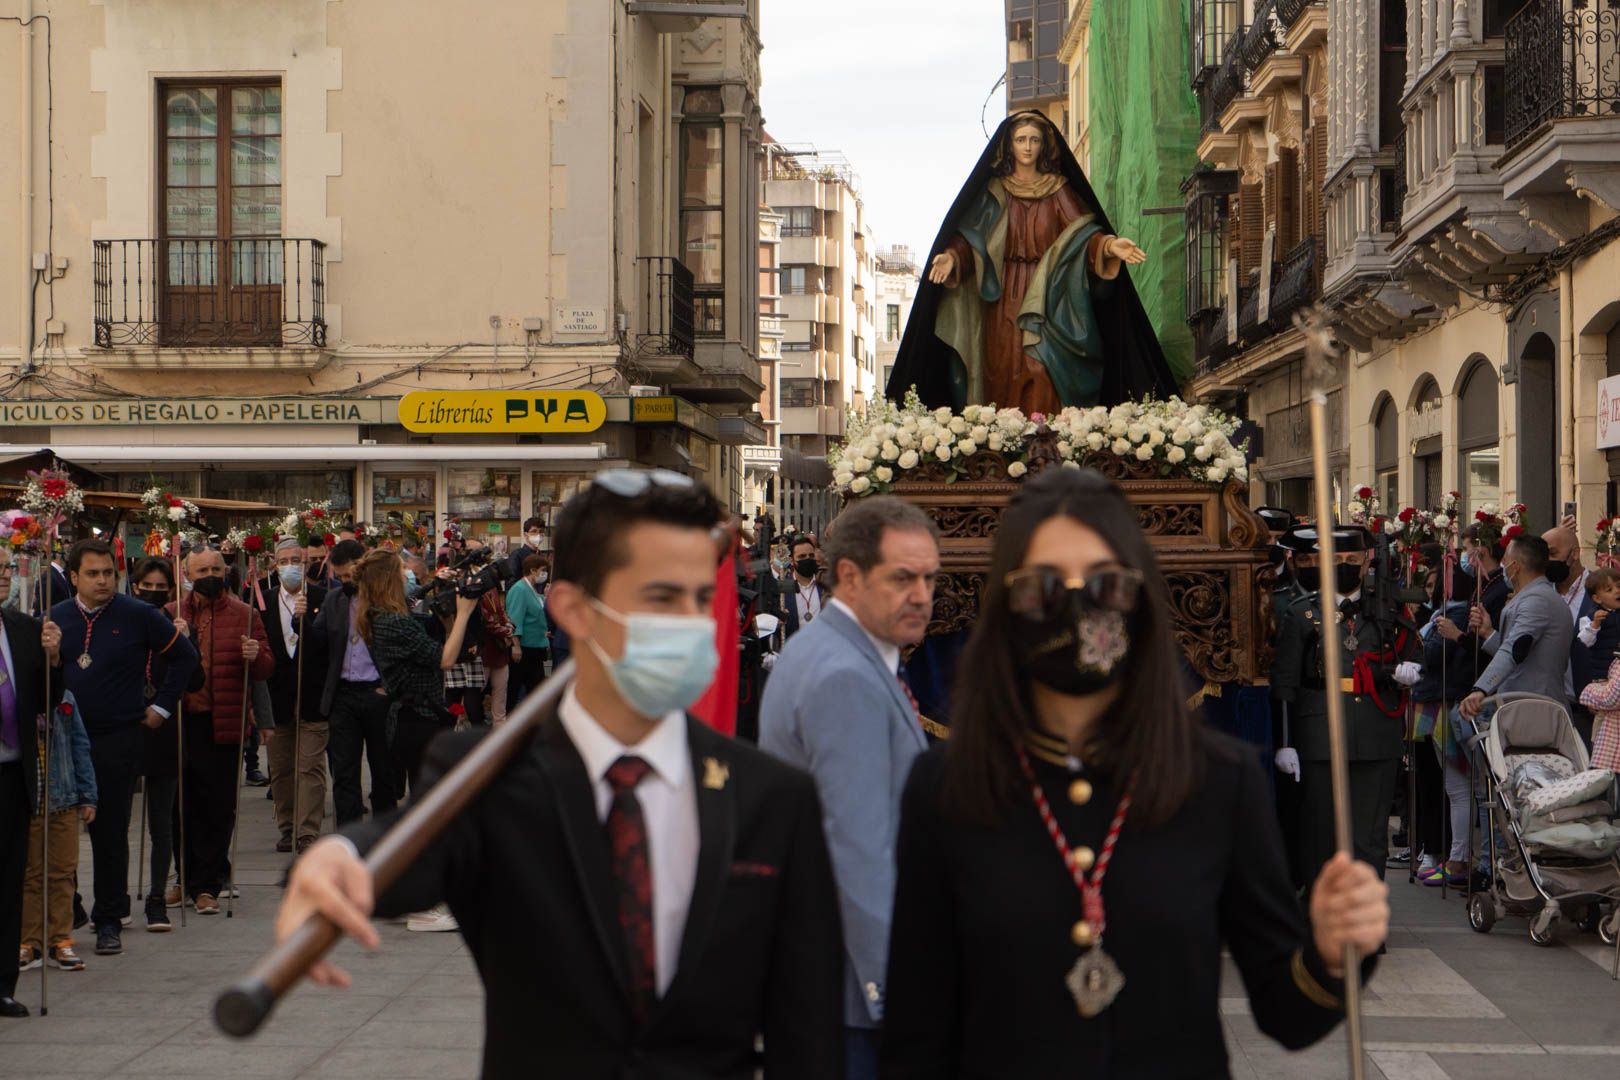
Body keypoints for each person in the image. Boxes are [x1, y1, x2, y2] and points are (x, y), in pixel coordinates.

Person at [276, 469, 843, 1078]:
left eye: (703, 598)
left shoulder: (772, 797)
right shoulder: (493, 778)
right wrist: (337, 856)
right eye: (661, 597)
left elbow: (808, 1033)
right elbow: (413, 846)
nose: (691, 622)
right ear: (573, 608)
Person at [881, 468, 1387, 1076]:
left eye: (1103, 582)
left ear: (1137, 597)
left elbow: (1286, 1009)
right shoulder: (945, 787)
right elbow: (916, 1032)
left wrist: (1333, 952)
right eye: (1044, 584)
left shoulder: (1218, 781)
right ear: (1006, 607)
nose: (1075, 603)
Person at [760, 496, 940, 1079]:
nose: (922, 594)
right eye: (903, 577)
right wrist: (899, 997)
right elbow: (858, 848)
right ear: (849, 577)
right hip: (855, 999)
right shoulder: (843, 674)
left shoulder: (837, 653)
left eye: (930, 578)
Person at [884, 110, 1177, 414]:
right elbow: (973, 237)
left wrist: (1109, 245)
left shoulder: (1058, 188)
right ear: (1008, 145)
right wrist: (952, 256)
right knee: (1002, 371)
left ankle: (1044, 439)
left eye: (1034, 140)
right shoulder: (996, 191)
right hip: (1002, 297)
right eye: (1021, 139)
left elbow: (1082, 234)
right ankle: (1005, 442)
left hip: (1051, 294)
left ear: (1044, 145)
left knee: (1041, 367)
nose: (1027, 147)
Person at [47, 540, 198, 957]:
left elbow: (185, 658)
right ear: (73, 577)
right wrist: (53, 657)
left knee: (110, 831)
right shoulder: (54, 618)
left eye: (108, 573)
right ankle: (68, 912)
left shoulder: (139, 615)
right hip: (64, 740)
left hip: (118, 737)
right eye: (92, 574)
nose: (102, 581)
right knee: (59, 833)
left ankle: (109, 917)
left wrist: (163, 707)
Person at [1270, 523, 1409, 882]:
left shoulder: (1386, 611)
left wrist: (1411, 671)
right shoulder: (1302, 613)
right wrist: (1285, 743)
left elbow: (1413, 655)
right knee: (1321, 837)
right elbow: (1285, 682)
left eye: (1352, 559)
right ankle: (1322, 929)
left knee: (1370, 840)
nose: (1345, 566)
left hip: (1376, 733)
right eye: (1337, 559)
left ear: (1366, 563)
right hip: (1320, 735)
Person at [172, 546, 274, 914]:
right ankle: (184, 875)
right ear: (187, 574)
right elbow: (153, 668)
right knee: (181, 804)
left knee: (217, 806)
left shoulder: (245, 615)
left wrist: (255, 655)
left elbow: (265, 667)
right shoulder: (173, 613)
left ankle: (208, 884)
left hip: (225, 720)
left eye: (216, 567)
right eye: (202, 570)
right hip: (183, 720)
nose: (210, 575)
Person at [0, 549, 61, 1017]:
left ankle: (2, 983)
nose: (3, 576)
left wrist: (53, 658)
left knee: (9, 881)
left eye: (5, 568)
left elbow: (47, 698)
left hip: (13, 773)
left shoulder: (21, 628)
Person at [129, 557, 198, 930]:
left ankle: (157, 895)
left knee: (162, 822)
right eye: (147, 586)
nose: (153, 593)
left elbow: (196, 678)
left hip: (165, 730)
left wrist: (185, 641)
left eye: (161, 587)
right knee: (116, 820)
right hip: (125, 729)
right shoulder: (122, 623)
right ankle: (115, 897)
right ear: (135, 585)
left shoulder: (174, 627)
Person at [313, 539, 397, 826]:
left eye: (350, 575)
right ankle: (348, 836)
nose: (346, 581)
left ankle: (385, 832)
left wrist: (389, 687)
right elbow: (318, 639)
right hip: (344, 695)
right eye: (340, 577)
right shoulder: (334, 600)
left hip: (377, 692)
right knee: (344, 771)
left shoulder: (383, 599)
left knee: (383, 768)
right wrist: (299, 621)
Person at [1407, 547, 1476, 888]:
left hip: (1444, 701)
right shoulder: (1444, 613)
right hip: (1432, 702)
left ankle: (1459, 857)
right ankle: (1451, 855)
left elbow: (1432, 653)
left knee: (1459, 787)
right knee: (1451, 787)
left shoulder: (1457, 614)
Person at [259, 538, 329, 854]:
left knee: (309, 768)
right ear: (275, 564)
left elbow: (326, 645)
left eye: (296, 561)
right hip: (277, 699)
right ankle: (287, 827)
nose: (291, 567)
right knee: (282, 768)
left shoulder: (322, 598)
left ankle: (307, 831)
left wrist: (306, 621)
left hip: (313, 697)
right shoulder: (262, 600)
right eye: (284, 561)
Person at [19, 691, 97, 973]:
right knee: (30, 873)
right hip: (28, 800)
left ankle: (60, 939)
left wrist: (87, 795)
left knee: (62, 873)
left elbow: (79, 744)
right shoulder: (15, 693)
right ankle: (29, 941)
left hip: (63, 799)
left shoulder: (65, 697)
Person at [1459, 535, 1576, 721]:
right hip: (1522, 707)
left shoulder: (1537, 600)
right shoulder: (1533, 596)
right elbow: (1522, 651)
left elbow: (1515, 649)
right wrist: (1488, 632)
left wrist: (1481, 688)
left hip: (1536, 711)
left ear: (1516, 566)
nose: (1503, 565)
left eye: (1505, 559)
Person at [505, 554, 551, 708]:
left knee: (536, 691)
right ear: (532, 570)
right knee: (515, 688)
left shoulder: (534, 590)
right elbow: (515, 618)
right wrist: (515, 644)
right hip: (524, 648)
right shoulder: (520, 589)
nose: (544, 574)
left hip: (536, 647)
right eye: (542, 570)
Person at [780, 534, 831, 640]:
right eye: (802, 556)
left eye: (811, 556)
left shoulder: (824, 585)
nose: (807, 559)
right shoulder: (782, 588)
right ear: (792, 560)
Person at [507, 516, 548, 583]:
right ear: (525, 534)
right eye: (534, 531)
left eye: (541, 531)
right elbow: (511, 583)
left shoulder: (541, 556)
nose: (538, 535)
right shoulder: (517, 555)